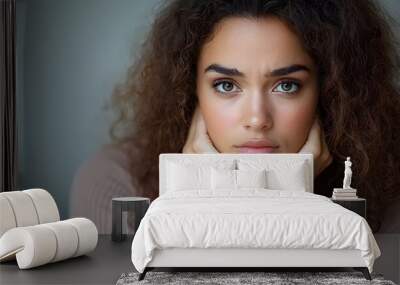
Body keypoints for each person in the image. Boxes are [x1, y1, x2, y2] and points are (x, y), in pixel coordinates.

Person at [70, 0, 400, 234]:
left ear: (328, 92)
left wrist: (292, 198)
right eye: (227, 85)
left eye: (287, 85)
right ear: (191, 91)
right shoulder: (115, 181)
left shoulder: (387, 184)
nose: (257, 119)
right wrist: (195, 200)